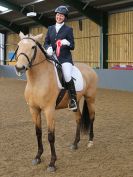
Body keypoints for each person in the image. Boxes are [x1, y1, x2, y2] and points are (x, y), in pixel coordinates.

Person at [44, 5, 77, 111]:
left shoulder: (68, 29)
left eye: (61, 16)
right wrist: (48, 48)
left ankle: (73, 100)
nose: (59, 17)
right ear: (55, 16)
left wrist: (66, 43)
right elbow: (46, 42)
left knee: (67, 75)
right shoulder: (50, 28)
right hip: (52, 57)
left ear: (65, 17)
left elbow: (72, 46)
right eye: (58, 15)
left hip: (64, 58)